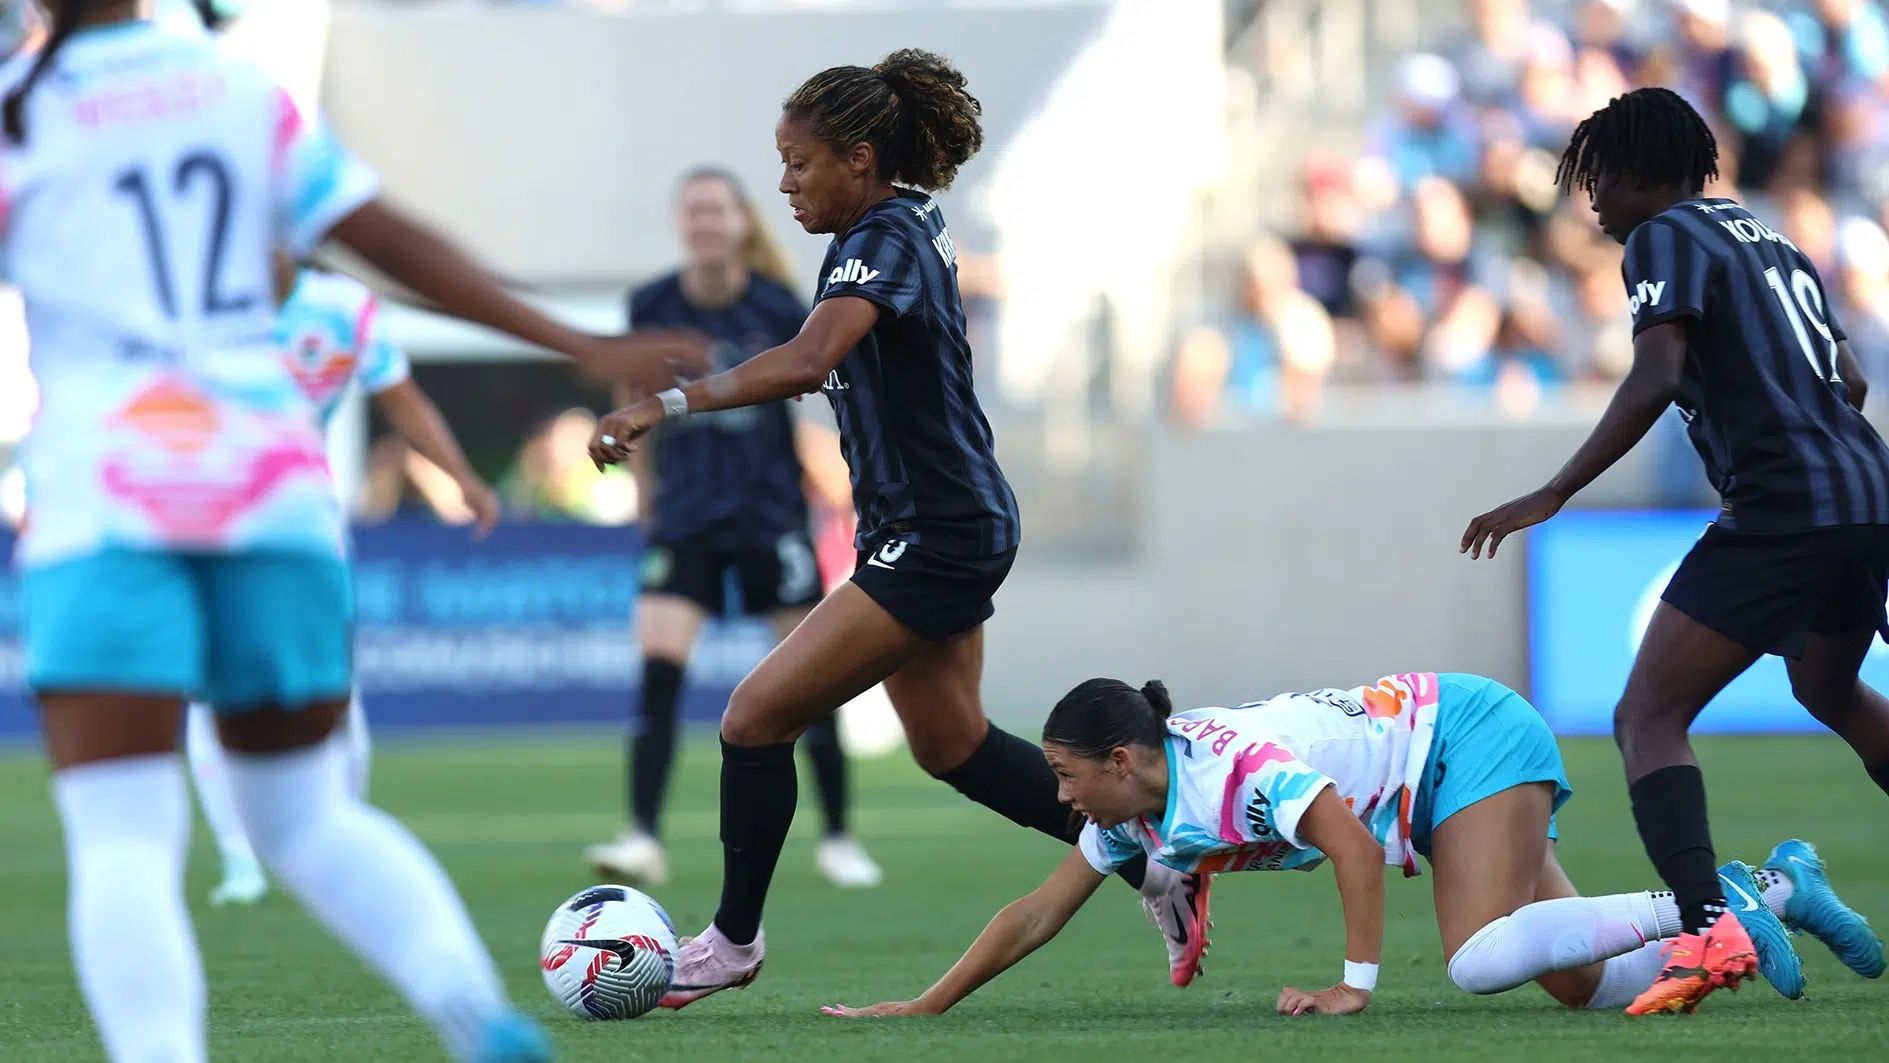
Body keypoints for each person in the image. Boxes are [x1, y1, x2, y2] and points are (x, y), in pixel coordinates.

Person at [2, 4, 698, 1062]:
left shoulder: (20, 114)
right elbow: (390, 241)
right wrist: (580, 339)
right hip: (273, 495)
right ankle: (481, 1025)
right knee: (309, 819)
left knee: (125, 843)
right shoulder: (239, 94)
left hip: (107, 500)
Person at [588, 48, 1205, 1008]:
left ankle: (731, 941)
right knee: (950, 745)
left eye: (798, 162)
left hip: (938, 530)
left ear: (860, 157)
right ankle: (1158, 866)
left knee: (753, 718)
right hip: (925, 522)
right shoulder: (891, 227)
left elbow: (809, 357)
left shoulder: (888, 235)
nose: (783, 182)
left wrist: (661, 404)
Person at [1460, 86, 1889, 1015]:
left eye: (1599, 180)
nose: (1594, 203)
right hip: (1867, 490)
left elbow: (1655, 372)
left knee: (1645, 715)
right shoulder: (1774, 237)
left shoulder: (1665, 238)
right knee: (1825, 688)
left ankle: (1709, 930)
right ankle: (1733, 914)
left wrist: (1554, 490)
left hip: (1785, 504)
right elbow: (1848, 377)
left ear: (1644, 174)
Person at [822, 674, 1883, 1019]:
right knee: (1576, 985)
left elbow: (1353, 850)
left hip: (1463, 735)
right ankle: (1774, 886)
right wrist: (924, 1002)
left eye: (1064, 774)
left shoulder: (1230, 767)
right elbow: (1033, 912)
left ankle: (1699, 908)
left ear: (1121, 757)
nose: (1056, 794)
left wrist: (1352, 983)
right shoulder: (1136, 810)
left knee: (1472, 958)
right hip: (1433, 768)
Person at [585, 167, 882, 890]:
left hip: (767, 512)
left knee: (809, 680)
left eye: (717, 210)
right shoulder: (651, 302)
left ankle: (839, 835)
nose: (705, 222)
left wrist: (834, 478)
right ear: (680, 222)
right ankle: (643, 835)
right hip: (687, 513)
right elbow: (631, 397)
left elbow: (813, 389)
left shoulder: (778, 304)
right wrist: (646, 494)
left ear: (741, 222)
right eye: (693, 210)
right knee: (658, 672)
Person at [184, 251, 500, 908]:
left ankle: (333, 831)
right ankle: (240, 855)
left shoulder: (342, 308)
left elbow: (403, 402)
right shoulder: (191, 291)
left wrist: (464, 479)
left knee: (329, 684)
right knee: (206, 686)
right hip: (202, 516)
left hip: (302, 521)